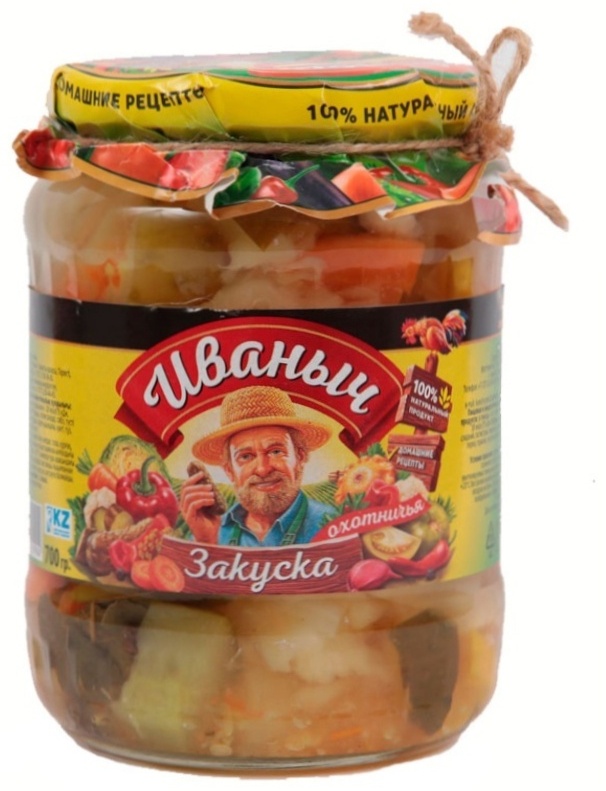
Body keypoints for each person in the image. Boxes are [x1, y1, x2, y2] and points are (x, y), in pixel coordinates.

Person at [180, 385, 335, 546]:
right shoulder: (212, 532)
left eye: (275, 451)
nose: (262, 469)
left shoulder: (332, 525)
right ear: (229, 471)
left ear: (300, 457)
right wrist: (207, 542)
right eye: (246, 456)